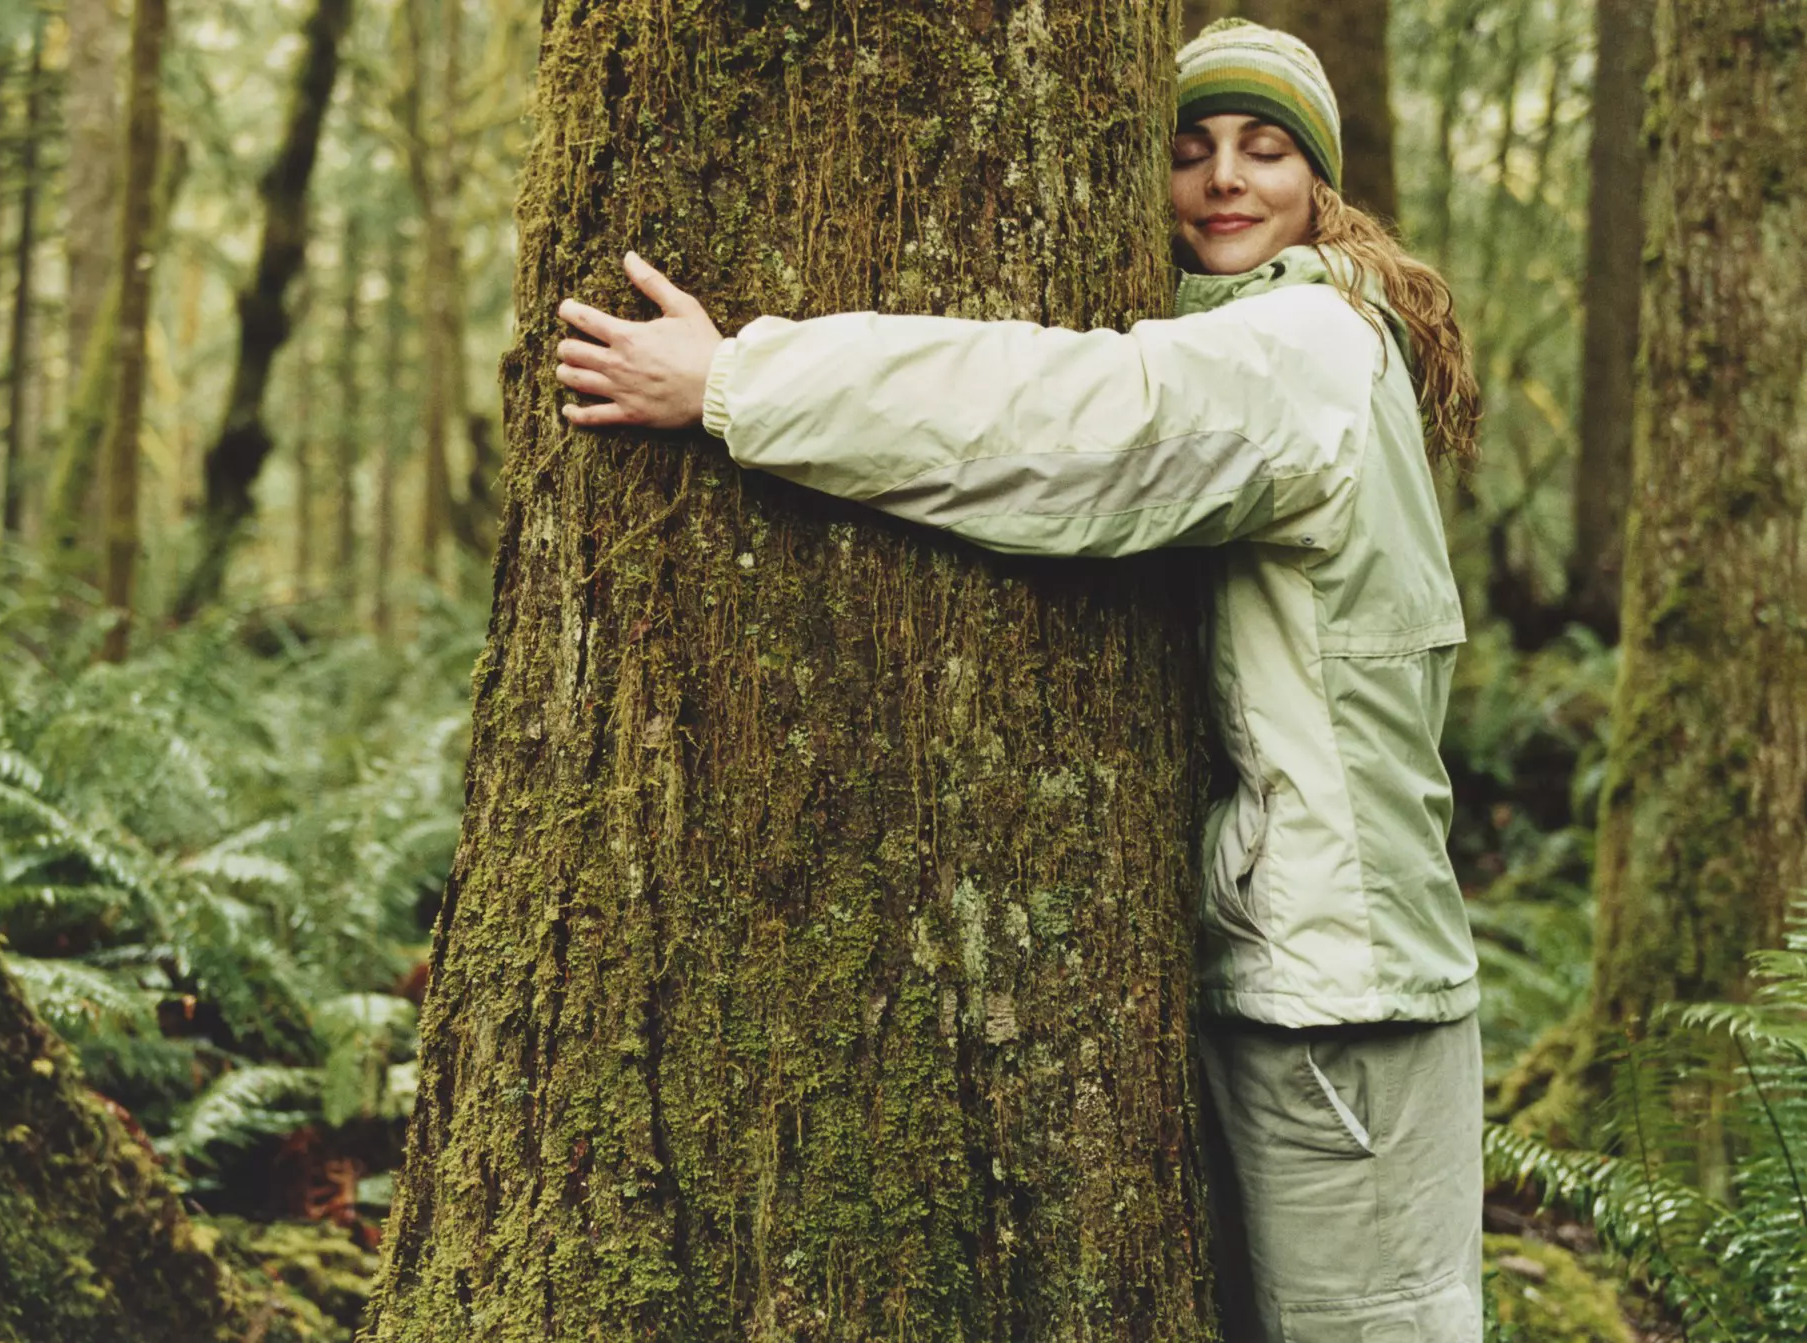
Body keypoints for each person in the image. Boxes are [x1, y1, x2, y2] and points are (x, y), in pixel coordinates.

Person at [553, 19, 1484, 1343]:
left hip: (1342, 1001)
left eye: (1265, 149)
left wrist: (739, 379)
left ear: (1318, 187)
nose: (1224, 177)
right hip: (1322, 974)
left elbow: (1066, 423)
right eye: (1188, 149)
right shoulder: (1310, 338)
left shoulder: (1305, 349)